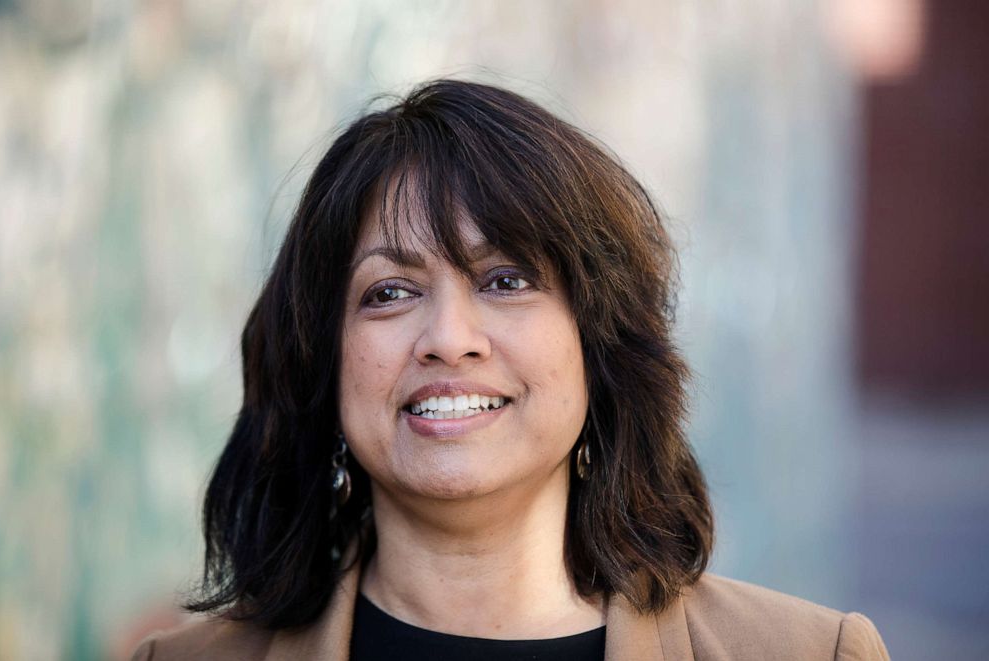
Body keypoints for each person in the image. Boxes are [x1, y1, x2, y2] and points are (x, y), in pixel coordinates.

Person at [131, 79, 889, 660]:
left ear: (598, 341)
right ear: (321, 359)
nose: (449, 339)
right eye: (390, 293)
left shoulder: (810, 651)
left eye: (506, 280)